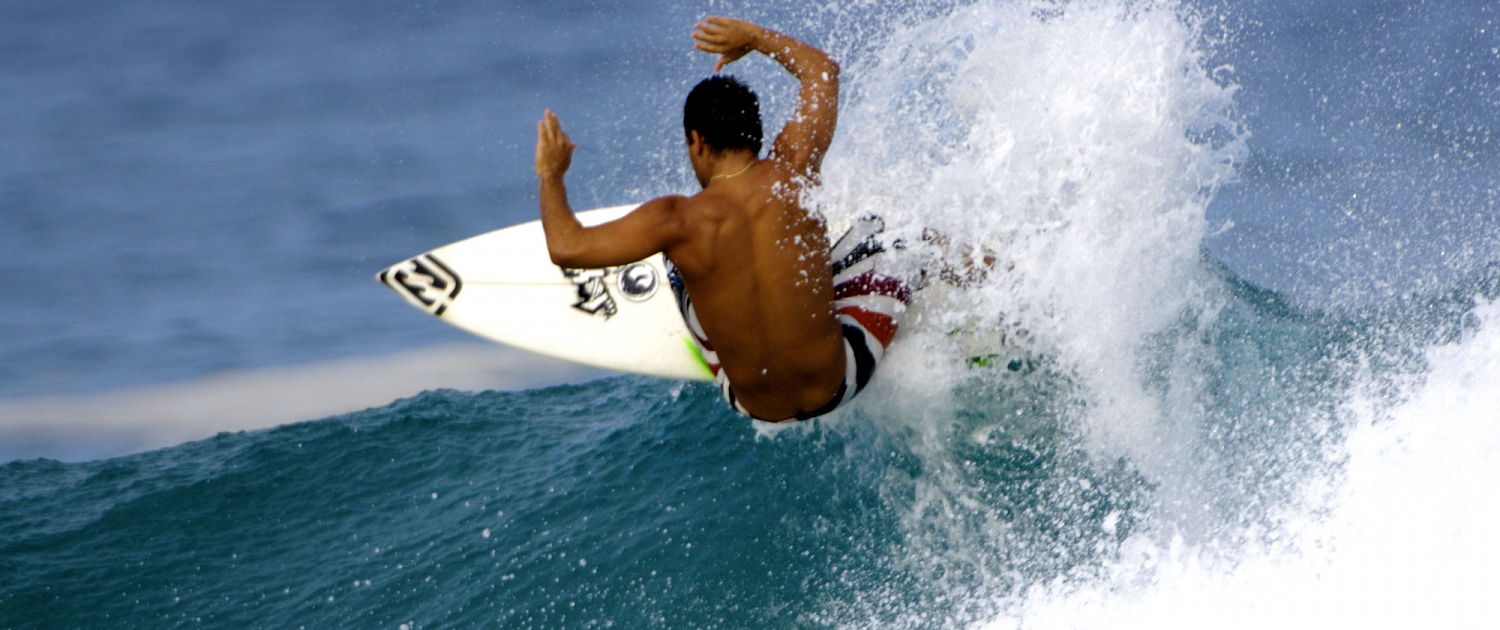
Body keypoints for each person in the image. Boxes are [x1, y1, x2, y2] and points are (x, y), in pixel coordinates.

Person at [535, 16, 909, 422]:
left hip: (753, 405)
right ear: (756, 134)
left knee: (674, 263)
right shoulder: (794, 171)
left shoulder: (677, 221)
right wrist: (754, 38)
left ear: (696, 140)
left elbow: (566, 246)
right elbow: (822, 71)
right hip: (842, 382)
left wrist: (551, 175)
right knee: (894, 236)